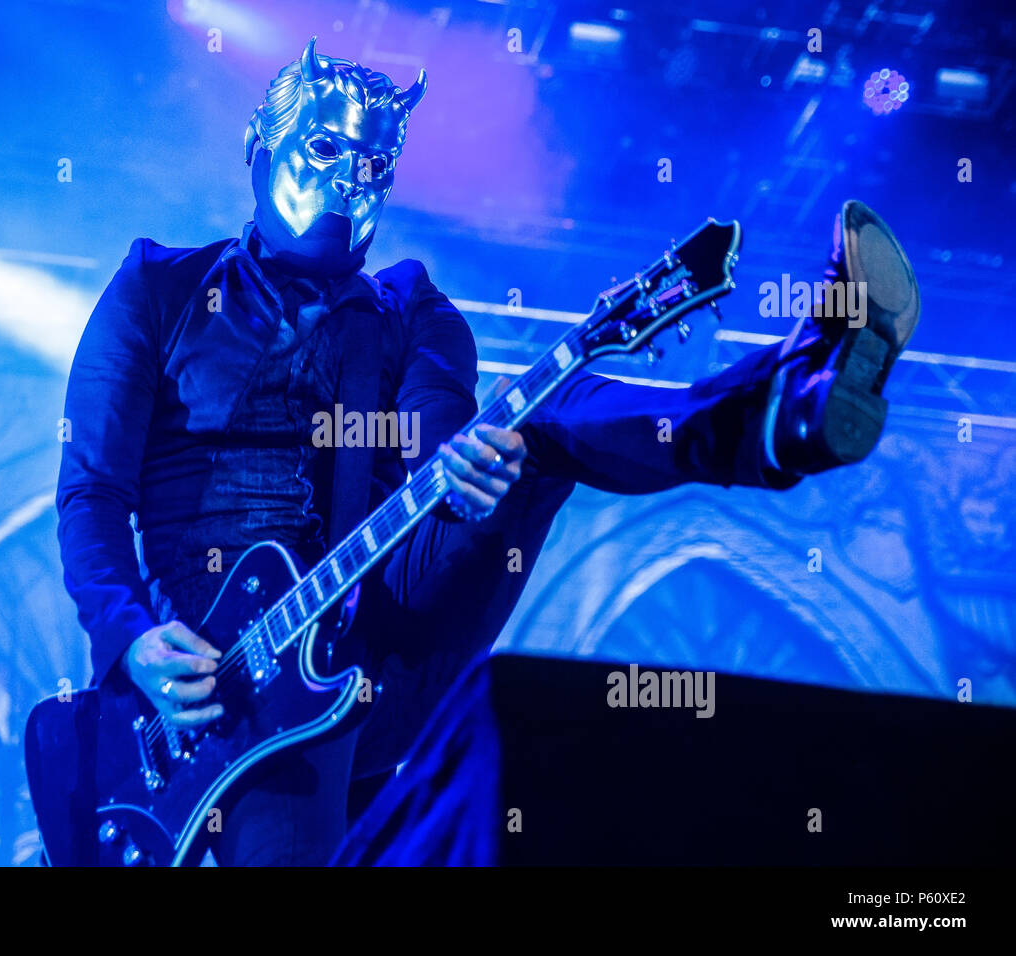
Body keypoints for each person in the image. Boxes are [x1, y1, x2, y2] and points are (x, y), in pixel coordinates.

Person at [55, 38, 921, 865]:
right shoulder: (157, 289)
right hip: (197, 683)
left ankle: (788, 406)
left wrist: (466, 480)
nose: (349, 181)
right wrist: (131, 637)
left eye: (374, 167)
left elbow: (442, 441)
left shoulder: (408, 311)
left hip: (371, 635)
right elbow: (91, 492)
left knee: (537, 417)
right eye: (324, 148)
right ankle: (787, 402)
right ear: (260, 142)